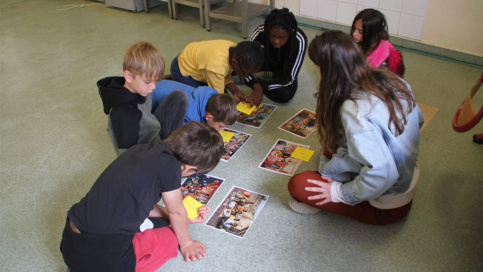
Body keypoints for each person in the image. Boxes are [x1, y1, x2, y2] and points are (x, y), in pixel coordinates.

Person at [287, 30, 423, 225]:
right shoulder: (392, 79)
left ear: (324, 69)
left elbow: (384, 172)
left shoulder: (354, 111)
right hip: (407, 174)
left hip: (389, 204)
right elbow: (418, 121)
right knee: (332, 144)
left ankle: (349, 193)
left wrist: (339, 193)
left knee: (298, 186)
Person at [60, 121, 224, 272]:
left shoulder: (139, 149)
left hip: (71, 244)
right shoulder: (171, 167)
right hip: (102, 260)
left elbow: (144, 204)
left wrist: (181, 219)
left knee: (161, 221)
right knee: (171, 240)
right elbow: (176, 212)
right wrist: (187, 242)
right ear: (187, 168)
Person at [98, 41, 188, 156]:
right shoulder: (124, 115)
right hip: (147, 150)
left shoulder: (139, 88)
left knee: (179, 97)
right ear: (129, 76)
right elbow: (128, 157)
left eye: (156, 81)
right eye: (148, 82)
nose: (153, 87)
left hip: (151, 129)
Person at [169, 40, 264, 104]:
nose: (247, 76)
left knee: (222, 92)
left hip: (197, 60)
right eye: (245, 74)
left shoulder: (236, 50)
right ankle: (174, 80)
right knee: (201, 99)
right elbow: (217, 97)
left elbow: (225, 73)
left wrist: (235, 90)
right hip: (181, 69)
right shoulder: (216, 66)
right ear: (234, 62)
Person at [248, 8, 307, 104]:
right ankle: (250, 80)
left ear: (290, 33)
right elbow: (246, 55)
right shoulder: (261, 30)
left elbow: (290, 78)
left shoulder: (299, 39)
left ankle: (252, 81)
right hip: (266, 60)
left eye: (282, 37)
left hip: (284, 69)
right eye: (273, 36)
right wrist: (248, 72)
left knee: (285, 95)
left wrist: (259, 85)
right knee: (234, 64)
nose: (276, 41)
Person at [151, 80, 237, 131]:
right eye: (221, 126)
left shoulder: (211, 98)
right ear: (209, 117)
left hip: (157, 84)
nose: (222, 129)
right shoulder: (189, 113)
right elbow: (177, 134)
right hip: (147, 98)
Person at [350, 8, 405, 77]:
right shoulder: (361, 42)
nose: (354, 34)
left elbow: (367, 79)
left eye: (360, 32)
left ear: (372, 33)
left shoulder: (381, 53)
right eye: (354, 28)